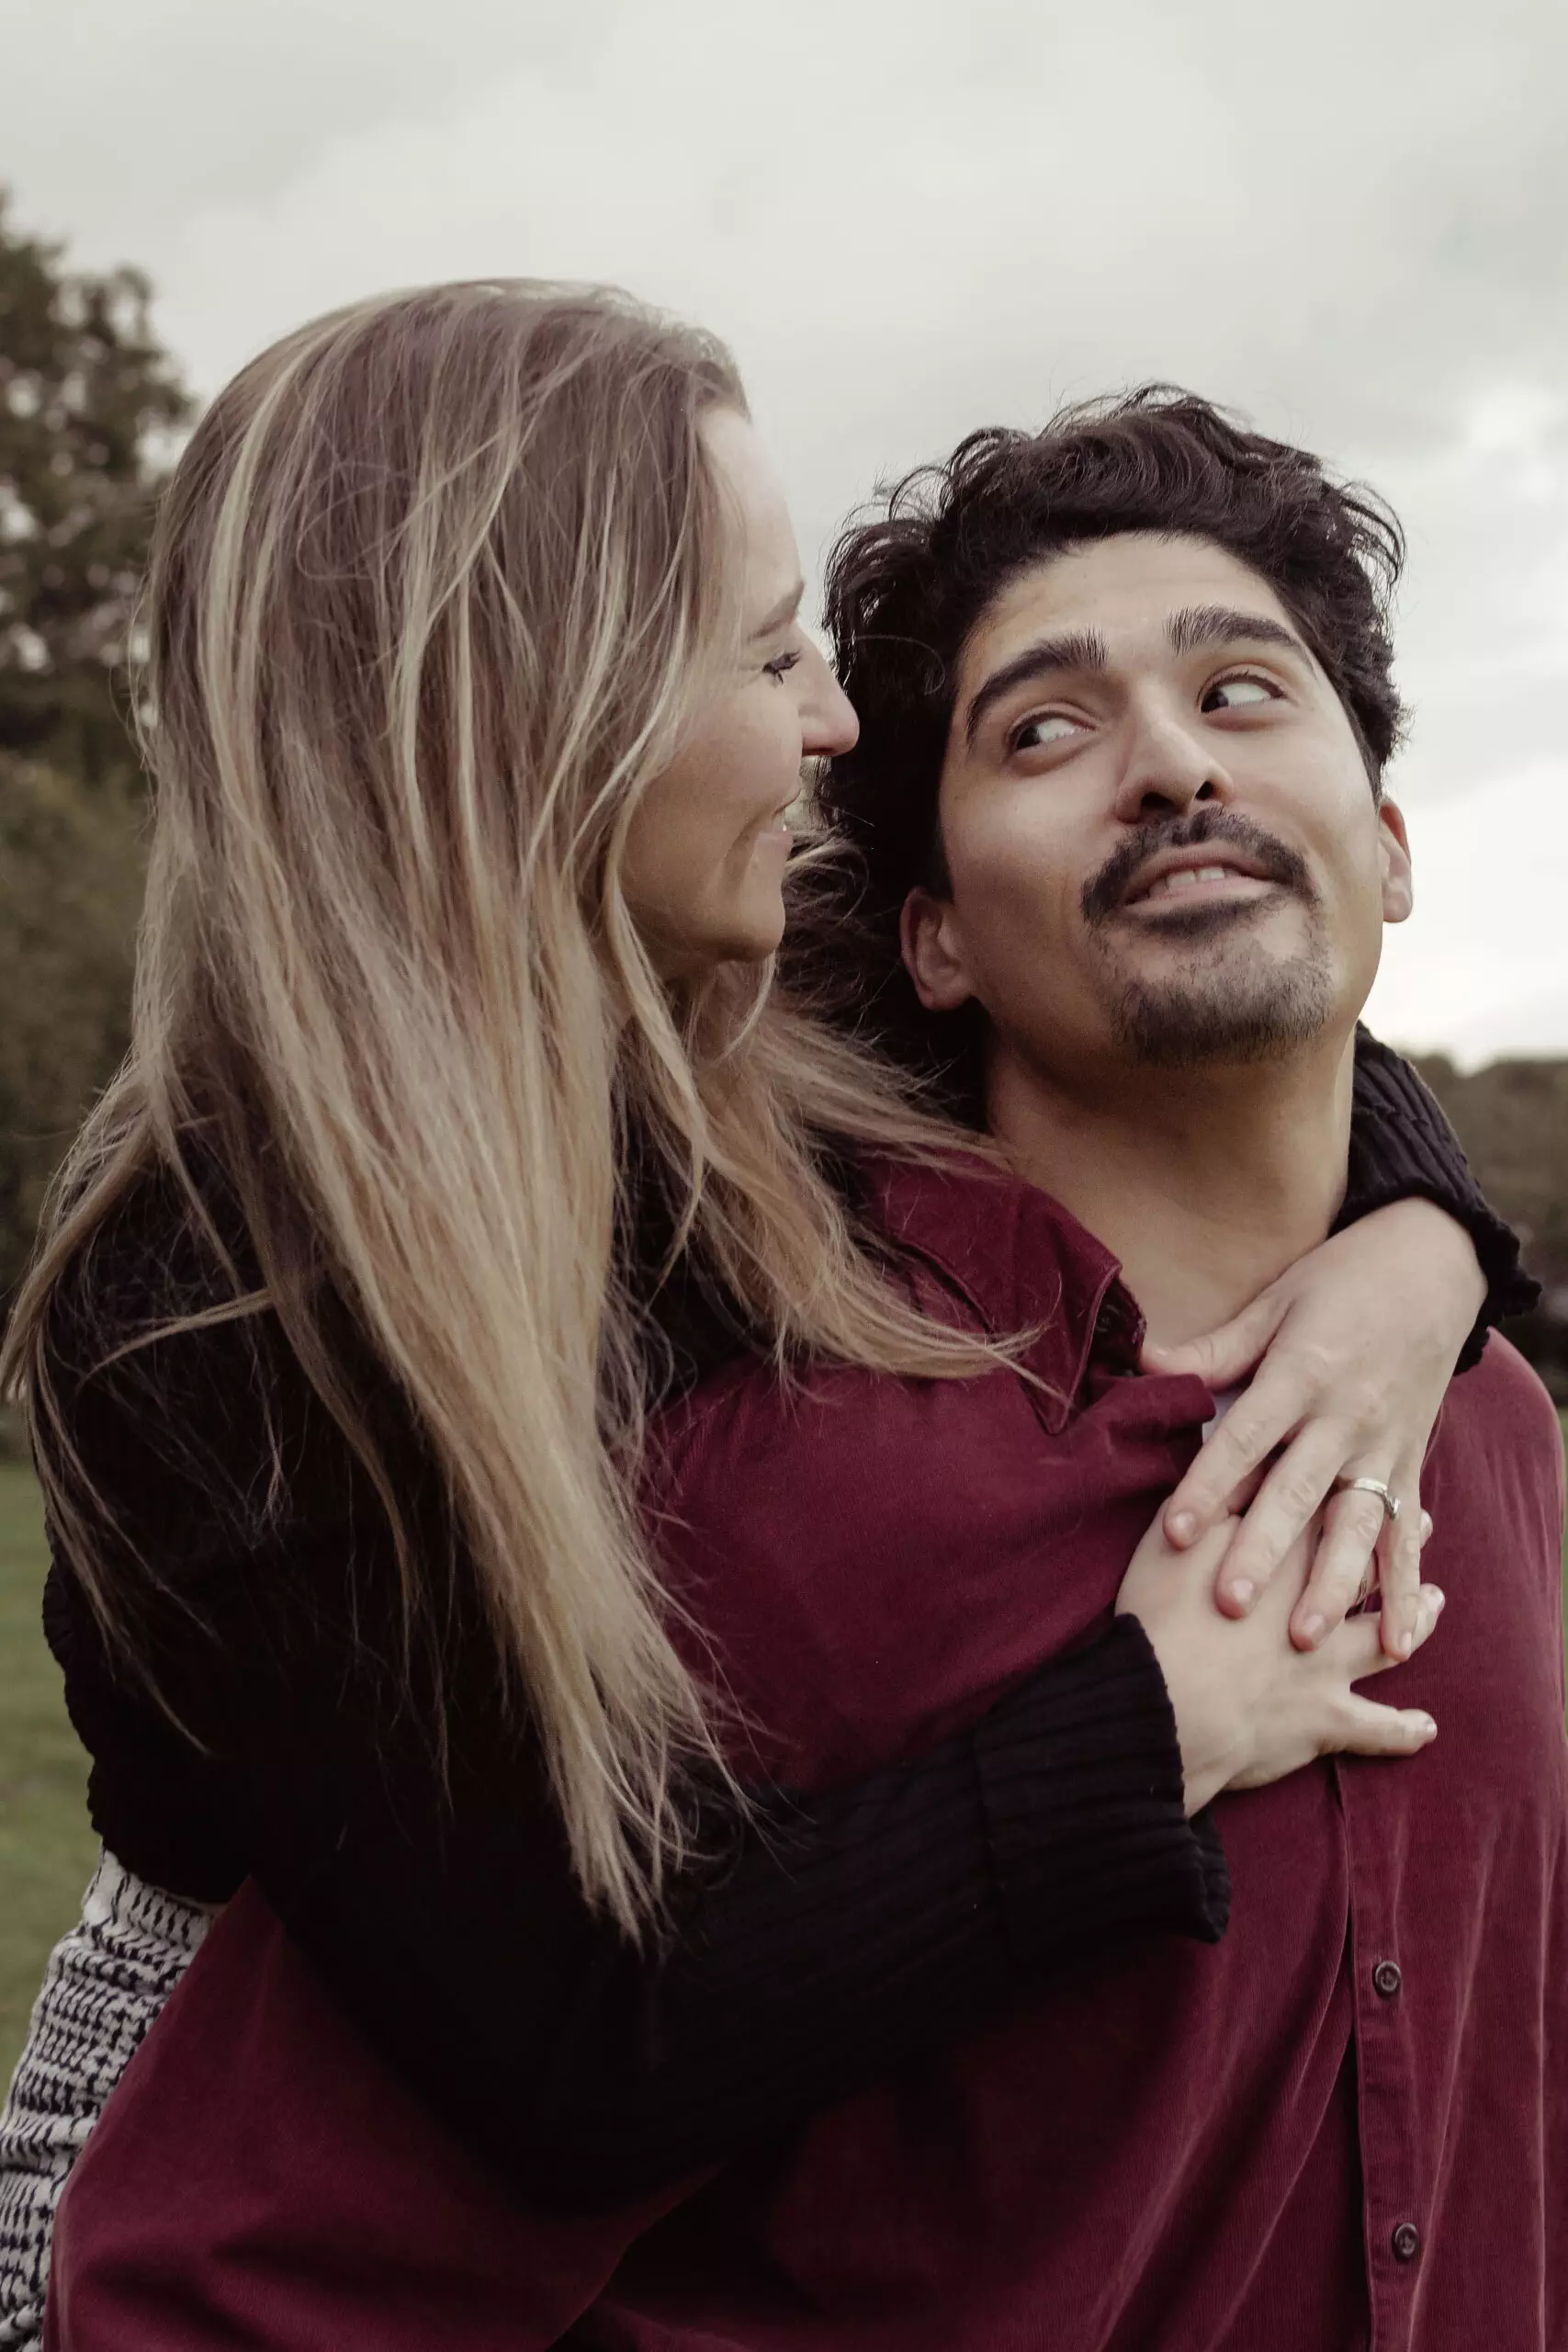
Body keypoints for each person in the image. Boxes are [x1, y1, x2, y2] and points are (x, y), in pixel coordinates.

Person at [0, 303, 1531, 2341]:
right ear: (545, 703)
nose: (826, 719)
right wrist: (1149, 1722)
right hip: (232, 2106)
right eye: (760, 647)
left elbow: (1212, 968)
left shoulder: (756, 1021)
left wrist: (1420, 1243)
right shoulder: (213, 1300)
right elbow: (578, 2046)